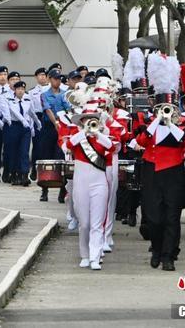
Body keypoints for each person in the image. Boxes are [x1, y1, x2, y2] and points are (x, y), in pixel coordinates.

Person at [136, 96, 185, 271]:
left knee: (172, 217)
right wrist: (157, 120)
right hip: (152, 172)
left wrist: (170, 124)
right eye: (162, 109)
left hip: (173, 173)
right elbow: (141, 141)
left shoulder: (180, 126)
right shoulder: (150, 127)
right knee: (154, 218)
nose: (165, 112)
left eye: (167, 109)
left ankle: (168, 256)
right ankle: (157, 250)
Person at [67, 108, 113, 270]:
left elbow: (111, 147)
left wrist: (98, 133)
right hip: (81, 183)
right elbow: (68, 145)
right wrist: (84, 132)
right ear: (81, 122)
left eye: (93, 120)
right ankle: (85, 255)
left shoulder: (102, 139)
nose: (90, 122)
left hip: (99, 183)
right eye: (86, 120)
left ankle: (95, 257)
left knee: (96, 223)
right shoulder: (78, 139)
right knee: (84, 223)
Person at [38, 69, 70, 201]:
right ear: (50, 79)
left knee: (62, 157)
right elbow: (48, 110)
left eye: (59, 79)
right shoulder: (44, 94)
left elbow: (68, 108)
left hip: (62, 127)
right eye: (55, 78)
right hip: (49, 128)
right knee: (46, 157)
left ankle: (62, 190)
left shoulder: (65, 94)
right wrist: (55, 123)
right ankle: (44, 190)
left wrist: (61, 124)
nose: (58, 81)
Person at [5, 81, 41, 186]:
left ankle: (25, 175)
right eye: (18, 89)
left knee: (24, 152)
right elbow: (14, 112)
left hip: (25, 129)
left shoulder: (27, 100)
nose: (20, 91)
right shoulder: (10, 100)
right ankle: (14, 175)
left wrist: (37, 124)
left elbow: (32, 113)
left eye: (22, 89)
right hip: (15, 126)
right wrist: (23, 121)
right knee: (14, 152)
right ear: (15, 91)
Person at [28, 67, 49, 181]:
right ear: (36, 77)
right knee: (37, 146)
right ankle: (34, 169)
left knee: (47, 145)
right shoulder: (32, 92)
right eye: (40, 75)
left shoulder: (50, 90)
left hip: (48, 118)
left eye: (44, 75)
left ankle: (46, 169)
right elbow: (30, 110)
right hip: (38, 118)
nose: (43, 77)